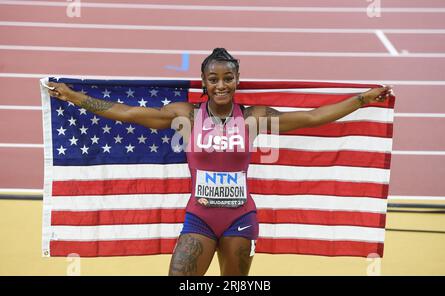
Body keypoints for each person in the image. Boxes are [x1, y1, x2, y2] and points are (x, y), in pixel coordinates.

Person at [46, 48, 393, 276]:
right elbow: (129, 113)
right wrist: (75, 96)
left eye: (228, 78)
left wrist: (362, 99)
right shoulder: (186, 115)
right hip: (199, 217)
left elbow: (314, 118)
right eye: (214, 79)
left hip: (241, 218)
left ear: (237, 80)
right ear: (205, 83)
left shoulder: (255, 118)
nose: (222, 85)